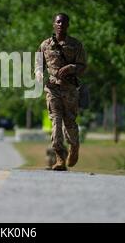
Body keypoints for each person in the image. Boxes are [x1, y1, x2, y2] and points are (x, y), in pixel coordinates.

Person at [35, 13, 87, 171]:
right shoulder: (45, 45)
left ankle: (74, 147)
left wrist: (70, 67)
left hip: (70, 90)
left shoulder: (75, 45)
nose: (60, 25)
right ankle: (59, 158)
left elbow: (83, 67)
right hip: (52, 90)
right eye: (58, 22)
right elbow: (38, 64)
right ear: (53, 24)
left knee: (69, 123)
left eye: (63, 23)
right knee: (56, 122)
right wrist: (38, 74)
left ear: (68, 25)